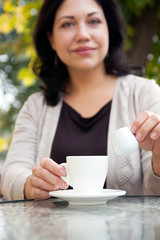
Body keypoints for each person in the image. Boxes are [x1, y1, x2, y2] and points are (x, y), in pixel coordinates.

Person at [1, 0, 160, 201]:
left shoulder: (144, 93)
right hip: (51, 232)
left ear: (109, 30)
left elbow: (155, 194)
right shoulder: (35, 107)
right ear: (51, 39)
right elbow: (10, 174)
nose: (83, 35)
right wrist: (29, 184)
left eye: (93, 21)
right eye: (67, 24)